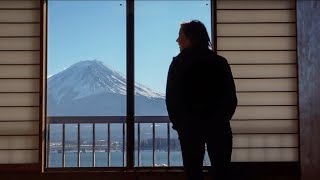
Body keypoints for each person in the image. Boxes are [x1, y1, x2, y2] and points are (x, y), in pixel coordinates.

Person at [165, 20, 237, 180]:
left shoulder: (178, 63)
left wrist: (180, 124)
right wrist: (222, 118)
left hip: (189, 129)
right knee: (222, 171)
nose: (177, 40)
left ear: (190, 38)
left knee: (193, 173)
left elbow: (171, 99)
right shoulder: (220, 62)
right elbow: (231, 98)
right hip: (219, 127)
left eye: (180, 35)